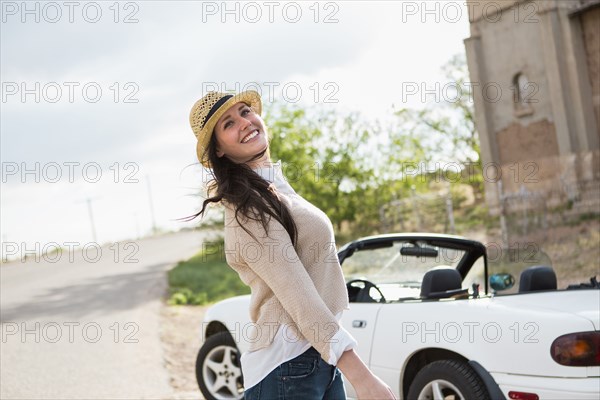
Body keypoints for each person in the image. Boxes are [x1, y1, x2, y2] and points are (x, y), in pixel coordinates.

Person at [188, 90, 396, 400]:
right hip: (288, 366)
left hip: (315, 359)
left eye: (245, 112)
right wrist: (362, 378)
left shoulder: (273, 187)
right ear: (219, 149)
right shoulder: (248, 208)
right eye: (229, 124)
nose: (244, 123)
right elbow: (299, 296)